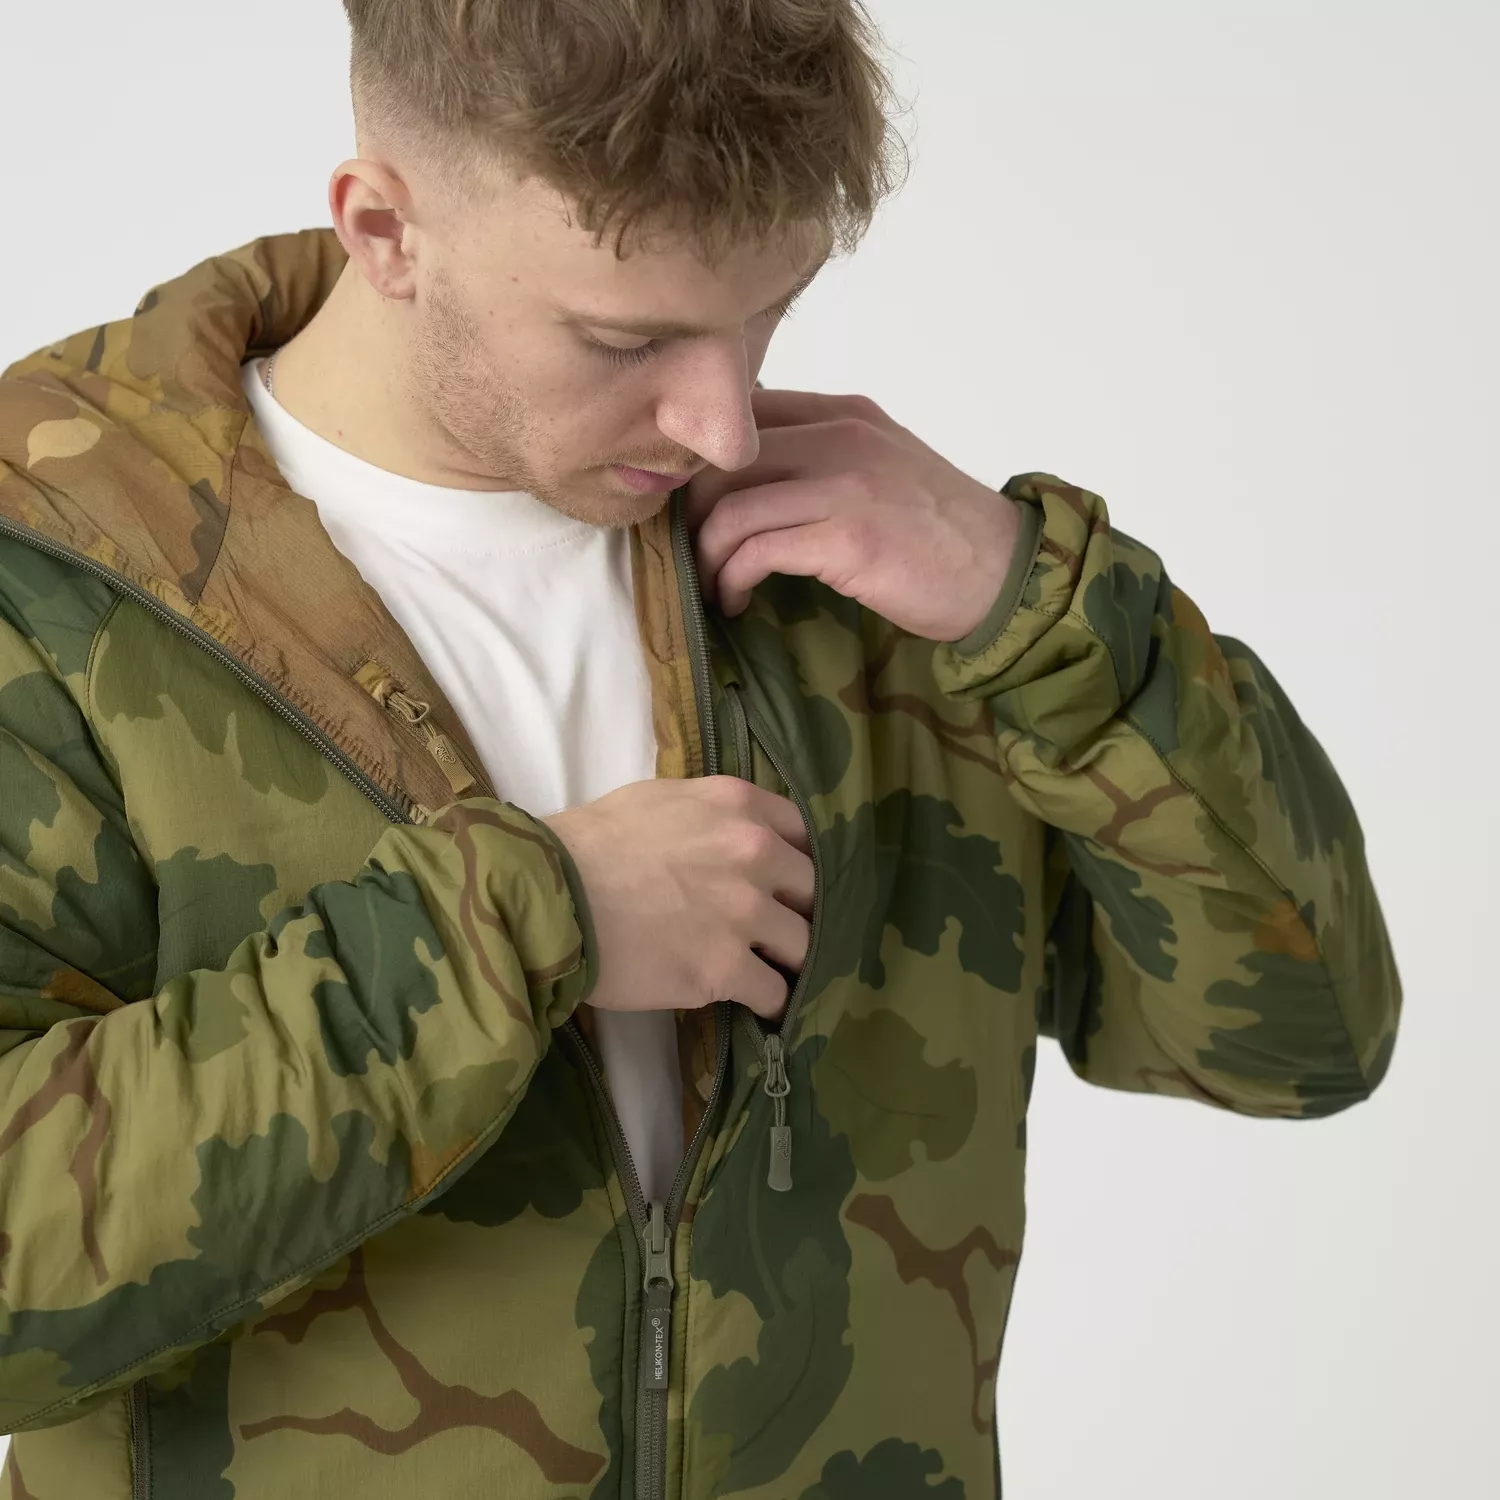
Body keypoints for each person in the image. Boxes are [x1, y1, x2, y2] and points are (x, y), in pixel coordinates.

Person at [0, 1, 1401, 1496]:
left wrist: (1044, 612)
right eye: (629, 339)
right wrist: (520, 933)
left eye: (767, 312)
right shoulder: (63, 594)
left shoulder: (862, 581)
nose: (723, 425)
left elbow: (1301, 1039)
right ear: (387, 231)